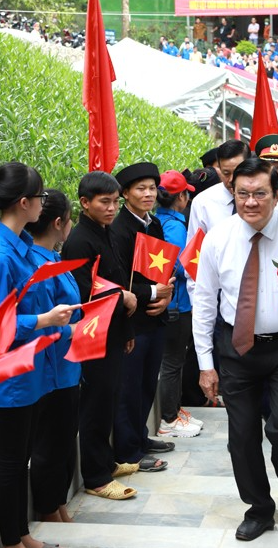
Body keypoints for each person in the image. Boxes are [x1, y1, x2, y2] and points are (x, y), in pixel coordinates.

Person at [194, 156, 278, 541]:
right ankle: (259, 507)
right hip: (236, 349)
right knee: (241, 435)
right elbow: (204, 302)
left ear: (276, 193)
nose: (250, 202)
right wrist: (206, 364)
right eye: (242, 194)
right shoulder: (219, 238)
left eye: (259, 194)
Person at [0, 162, 79, 548]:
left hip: (31, 372)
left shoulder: (17, 248)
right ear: (24, 203)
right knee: (11, 462)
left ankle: (21, 535)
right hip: (11, 377)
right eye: (39, 197)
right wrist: (44, 321)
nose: (43, 203)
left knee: (22, 460)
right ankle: (9, 546)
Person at [61, 172, 139, 500]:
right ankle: (95, 476)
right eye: (104, 202)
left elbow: (117, 279)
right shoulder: (80, 240)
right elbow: (84, 293)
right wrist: (123, 300)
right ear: (85, 203)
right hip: (93, 334)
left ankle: (106, 462)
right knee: (95, 406)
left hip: (113, 330)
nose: (111, 208)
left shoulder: (104, 232)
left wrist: (126, 329)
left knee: (108, 400)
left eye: (114, 202)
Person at [109, 162, 176, 469]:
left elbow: (162, 273)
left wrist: (166, 297)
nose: (149, 194)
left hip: (156, 317)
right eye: (141, 189)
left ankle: (141, 436)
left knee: (148, 383)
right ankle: (128, 450)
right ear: (125, 194)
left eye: (152, 188)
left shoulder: (155, 224)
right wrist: (155, 293)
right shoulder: (119, 229)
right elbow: (122, 281)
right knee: (129, 386)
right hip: (132, 322)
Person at [24, 188, 83, 523]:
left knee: (63, 438)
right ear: (61, 223)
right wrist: (72, 330)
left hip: (67, 365)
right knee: (49, 442)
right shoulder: (34, 265)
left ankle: (58, 500)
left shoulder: (54, 260)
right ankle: (48, 507)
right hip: (49, 368)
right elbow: (40, 321)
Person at [154, 170, 203, 437]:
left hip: (172, 301)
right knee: (173, 362)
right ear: (181, 197)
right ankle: (169, 420)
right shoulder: (175, 226)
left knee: (173, 361)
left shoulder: (158, 221)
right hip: (178, 302)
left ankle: (174, 410)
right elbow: (177, 266)